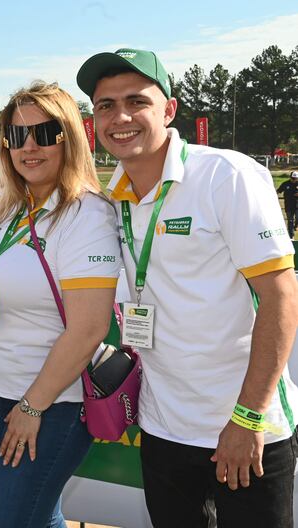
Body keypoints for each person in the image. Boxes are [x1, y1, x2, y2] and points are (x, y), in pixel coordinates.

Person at [77, 48, 298, 527]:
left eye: (136, 101)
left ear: (169, 109)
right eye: (106, 105)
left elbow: (281, 297)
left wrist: (248, 418)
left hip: (244, 430)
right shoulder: (110, 195)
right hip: (163, 429)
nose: (121, 117)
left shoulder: (226, 175)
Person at [0, 81, 120, 527]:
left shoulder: (86, 215)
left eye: (44, 133)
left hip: (53, 403)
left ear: (69, 137)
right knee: (40, 514)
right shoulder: (9, 207)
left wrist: (34, 407)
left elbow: (89, 328)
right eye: (16, 136)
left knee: (12, 520)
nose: (28, 146)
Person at [276, 171, 298, 239]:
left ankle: (296, 226)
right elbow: (278, 191)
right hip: (288, 205)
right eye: (293, 178)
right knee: (290, 220)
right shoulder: (285, 184)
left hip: (297, 205)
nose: (294, 180)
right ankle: (291, 236)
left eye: (295, 178)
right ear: (290, 177)